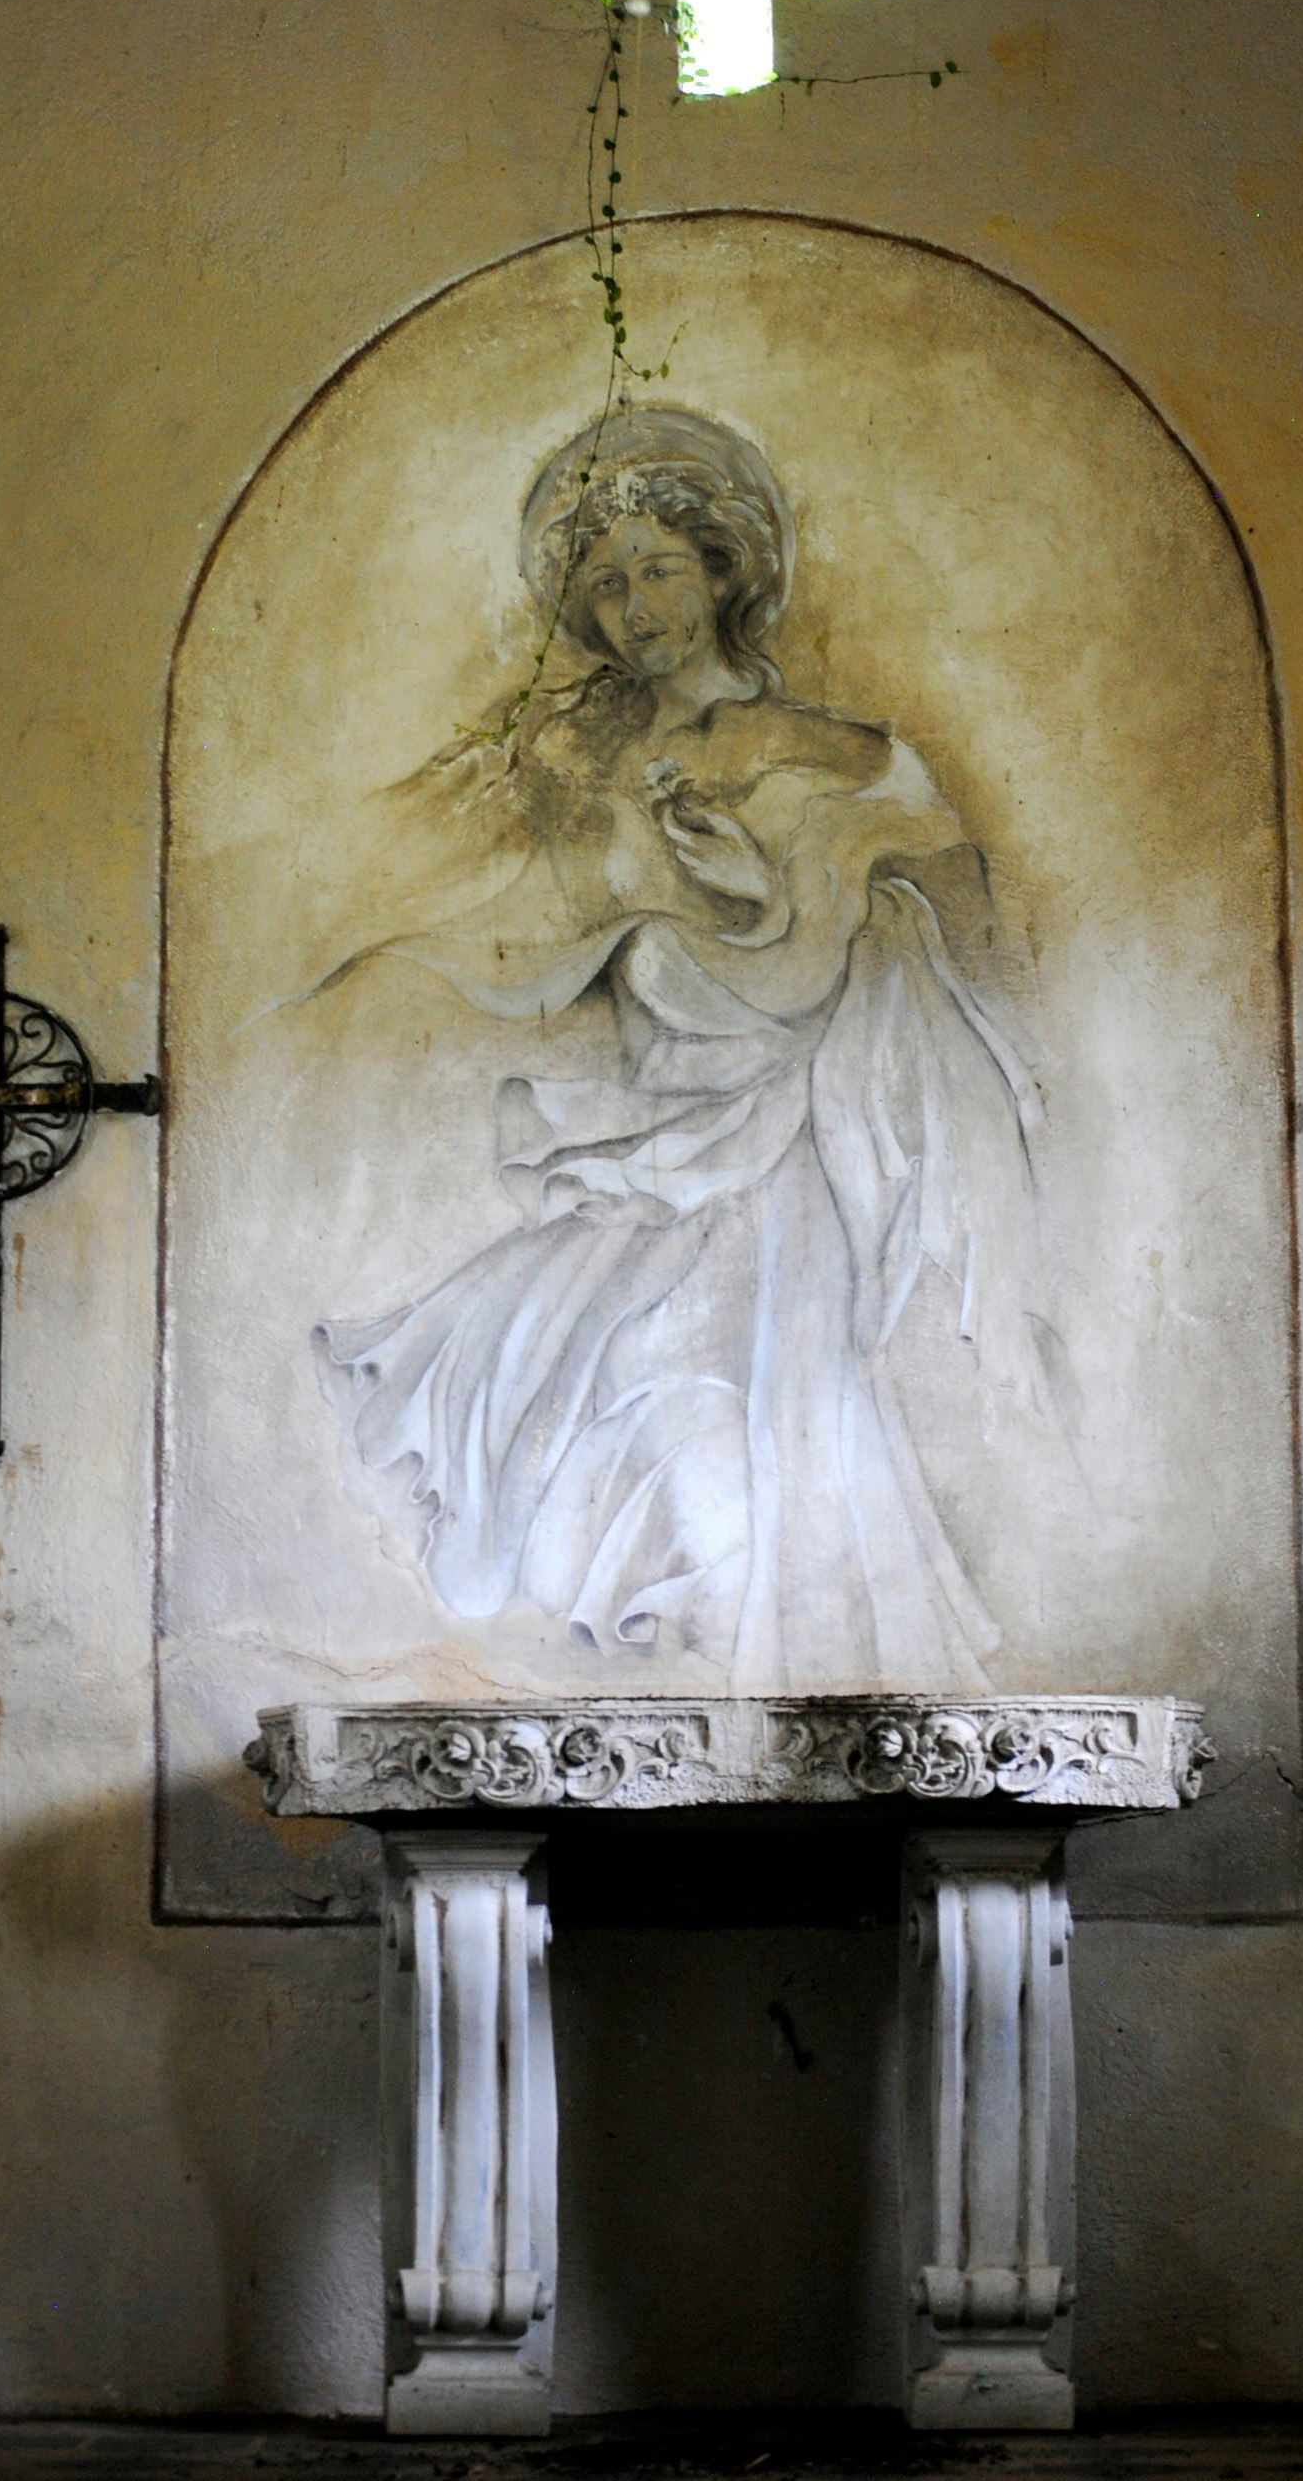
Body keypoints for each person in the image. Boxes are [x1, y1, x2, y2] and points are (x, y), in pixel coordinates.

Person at [311, 405, 1050, 1692]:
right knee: (593, 1372)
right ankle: (685, 1660)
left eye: (657, 566)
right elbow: (543, 934)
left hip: (781, 1139)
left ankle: (784, 1668)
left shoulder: (839, 753)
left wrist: (767, 888)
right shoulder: (571, 773)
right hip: (651, 1119)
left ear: (722, 570)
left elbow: (943, 908)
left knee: (766, 1401)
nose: (633, 604)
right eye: (602, 584)